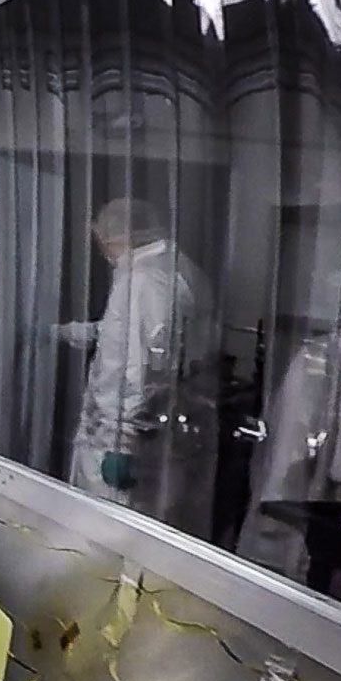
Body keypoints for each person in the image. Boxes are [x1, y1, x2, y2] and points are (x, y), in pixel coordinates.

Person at [57, 198, 212, 522]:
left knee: (106, 535)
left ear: (115, 236)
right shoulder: (173, 268)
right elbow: (129, 333)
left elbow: (144, 366)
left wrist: (122, 443)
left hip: (124, 443)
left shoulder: (144, 279)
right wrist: (65, 332)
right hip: (157, 433)